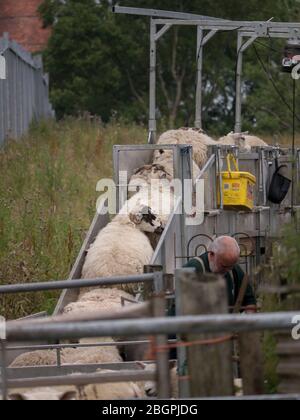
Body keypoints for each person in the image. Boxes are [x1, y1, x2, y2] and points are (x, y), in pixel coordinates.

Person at [184, 236, 257, 312]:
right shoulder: (194, 268)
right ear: (212, 254)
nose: (228, 270)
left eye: (231, 266)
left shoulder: (232, 268)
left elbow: (249, 300)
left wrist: (248, 319)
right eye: (224, 266)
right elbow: (183, 308)